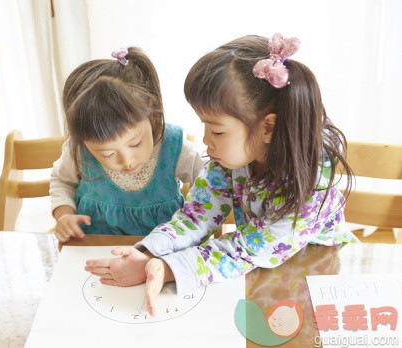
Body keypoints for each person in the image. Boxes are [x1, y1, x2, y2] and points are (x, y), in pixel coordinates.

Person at [85, 34, 357, 316]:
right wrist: (148, 254)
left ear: (269, 128)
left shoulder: (310, 185)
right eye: (204, 126)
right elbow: (196, 217)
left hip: (318, 279)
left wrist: (168, 269)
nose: (206, 141)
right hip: (258, 275)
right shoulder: (227, 161)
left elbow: (248, 249)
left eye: (216, 130)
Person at [50, 47, 204, 242]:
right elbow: (62, 181)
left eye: (135, 143)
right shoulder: (80, 150)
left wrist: (194, 219)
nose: (127, 160)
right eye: (107, 154)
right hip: (95, 248)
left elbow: (211, 183)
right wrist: (64, 215)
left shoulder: (174, 146)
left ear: (151, 108)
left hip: (160, 254)